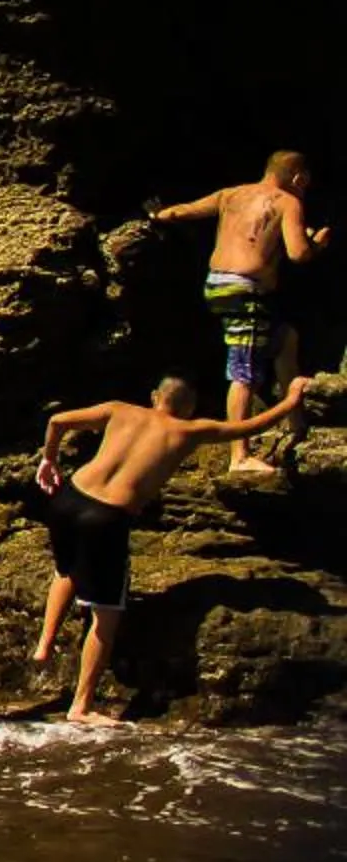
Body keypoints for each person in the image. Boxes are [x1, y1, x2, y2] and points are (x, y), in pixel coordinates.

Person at [29, 373, 309, 722]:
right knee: (107, 612)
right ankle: (81, 707)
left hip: (68, 498)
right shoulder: (189, 431)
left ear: (153, 396)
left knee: (66, 569)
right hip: (107, 517)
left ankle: (44, 645)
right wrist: (291, 399)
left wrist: (49, 459)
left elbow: (57, 420)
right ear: (189, 408)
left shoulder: (119, 410)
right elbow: (249, 427)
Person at [152, 152, 328, 469]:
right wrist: (317, 243)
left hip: (216, 285)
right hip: (245, 288)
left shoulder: (231, 193)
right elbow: (298, 254)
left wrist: (160, 215)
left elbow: (182, 212)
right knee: (244, 371)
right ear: (298, 178)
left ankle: (295, 424)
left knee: (286, 339)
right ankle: (239, 456)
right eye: (306, 184)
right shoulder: (287, 201)